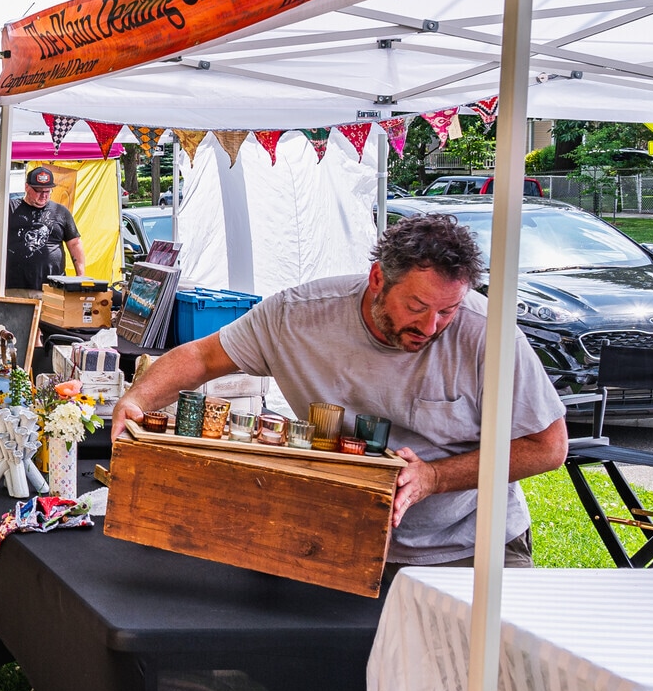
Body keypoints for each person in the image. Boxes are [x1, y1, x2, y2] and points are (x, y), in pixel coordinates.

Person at [109, 214, 568, 577]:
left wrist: (434, 477)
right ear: (376, 280)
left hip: (464, 548)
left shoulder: (486, 332)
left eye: (447, 310)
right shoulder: (298, 315)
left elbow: (548, 448)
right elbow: (203, 358)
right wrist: (136, 401)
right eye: (416, 307)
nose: (430, 328)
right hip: (332, 538)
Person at [0, 164, 83, 293]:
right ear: (27, 187)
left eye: (48, 191)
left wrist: (80, 277)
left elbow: (74, 243)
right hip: (15, 287)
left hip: (52, 288)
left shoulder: (60, 212)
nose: (44, 195)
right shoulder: (9, 207)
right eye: (39, 191)